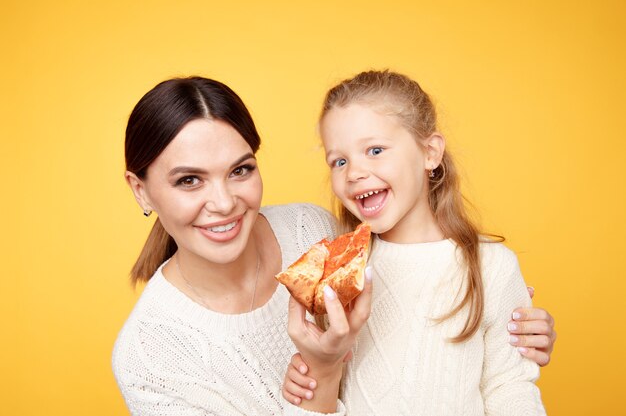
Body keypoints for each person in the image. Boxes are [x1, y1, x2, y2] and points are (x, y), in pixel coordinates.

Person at [112, 76, 554, 416]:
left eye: (240, 170)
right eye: (188, 180)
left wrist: (504, 316)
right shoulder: (150, 359)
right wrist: (322, 372)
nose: (224, 203)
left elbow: (487, 370)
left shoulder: (322, 238)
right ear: (141, 190)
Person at [283, 70, 550, 415]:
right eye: (340, 161)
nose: (354, 173)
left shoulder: (491, 266)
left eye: (375, 150)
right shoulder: (340, 271)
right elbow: (328, 385)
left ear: (430, 153)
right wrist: (310, 377)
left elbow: (509, 386)